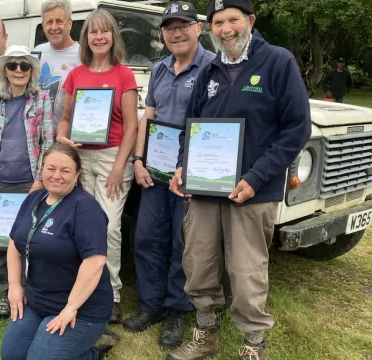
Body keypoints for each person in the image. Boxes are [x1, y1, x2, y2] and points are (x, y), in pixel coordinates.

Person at [168, 1, 311, 359]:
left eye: (233, 19)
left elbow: (296, 129)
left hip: (253, 192)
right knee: (198, 263)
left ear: (250, 21)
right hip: (205, 190)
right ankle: (207, 336)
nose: (225, 28)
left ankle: (253, 346)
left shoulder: (278, 62)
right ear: (211, 27)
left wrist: (256, 177)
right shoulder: (210, 70)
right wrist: (184, 165)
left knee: (246, 272)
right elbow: (191, 126)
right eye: (218, 22)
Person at [124, 1, 216, 349]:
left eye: (183, 25)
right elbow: (148, 116)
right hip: (156, 169)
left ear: (198, 28)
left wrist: (193, 168)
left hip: (190, 172)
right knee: (147, 237)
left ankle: (177, 308)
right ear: (162, 34)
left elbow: (214, 123)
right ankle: (150, 305)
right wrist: (138, 160)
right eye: (169, 27)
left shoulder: (213, 67)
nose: (176, 32)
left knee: (183, 243)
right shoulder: (160, 68)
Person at [56, 9, 138, 325]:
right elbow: (64, 120)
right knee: (80, 226)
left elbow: (131, 127)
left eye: (105, 31)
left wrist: (119, 168)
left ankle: (112, 295)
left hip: (112, 158)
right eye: (93, 32)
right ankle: (81, 291)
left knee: (109, 227)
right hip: (80, 159)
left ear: (113, 36)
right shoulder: (76, 75)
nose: (99, 37)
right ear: (85, 37)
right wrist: (64, 138)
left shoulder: (124, 74)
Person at [0, 143, 112, 360]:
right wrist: (14, 286)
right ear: (42, 170)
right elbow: (15, 242)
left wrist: (71, 307)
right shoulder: (34, 198)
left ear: (77, 173)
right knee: (11, 356)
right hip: (37, 302)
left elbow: (95, 262)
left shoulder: (86, 208)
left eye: (65, 170)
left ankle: (90, 354)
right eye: (51, 168)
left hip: (81, 309)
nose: (57, 176)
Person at [0, 45, 54, 321]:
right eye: (13, 65)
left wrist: (40, 179)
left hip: (30, 183)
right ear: (5, 70)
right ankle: (7, 292)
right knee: (0, 242)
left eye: (24, 65)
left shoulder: (42, 100)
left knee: (31, 241)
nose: (19, 70)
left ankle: (31, 293)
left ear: (32, 70)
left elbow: (49, 142)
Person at [34, 0, 81, 127]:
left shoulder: (83, 55)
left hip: (67, 140)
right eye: (49, 22)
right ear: (43, 26)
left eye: (59, 21)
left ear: (69, 24)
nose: (54, 27)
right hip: (38, 137)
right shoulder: (37, 52)